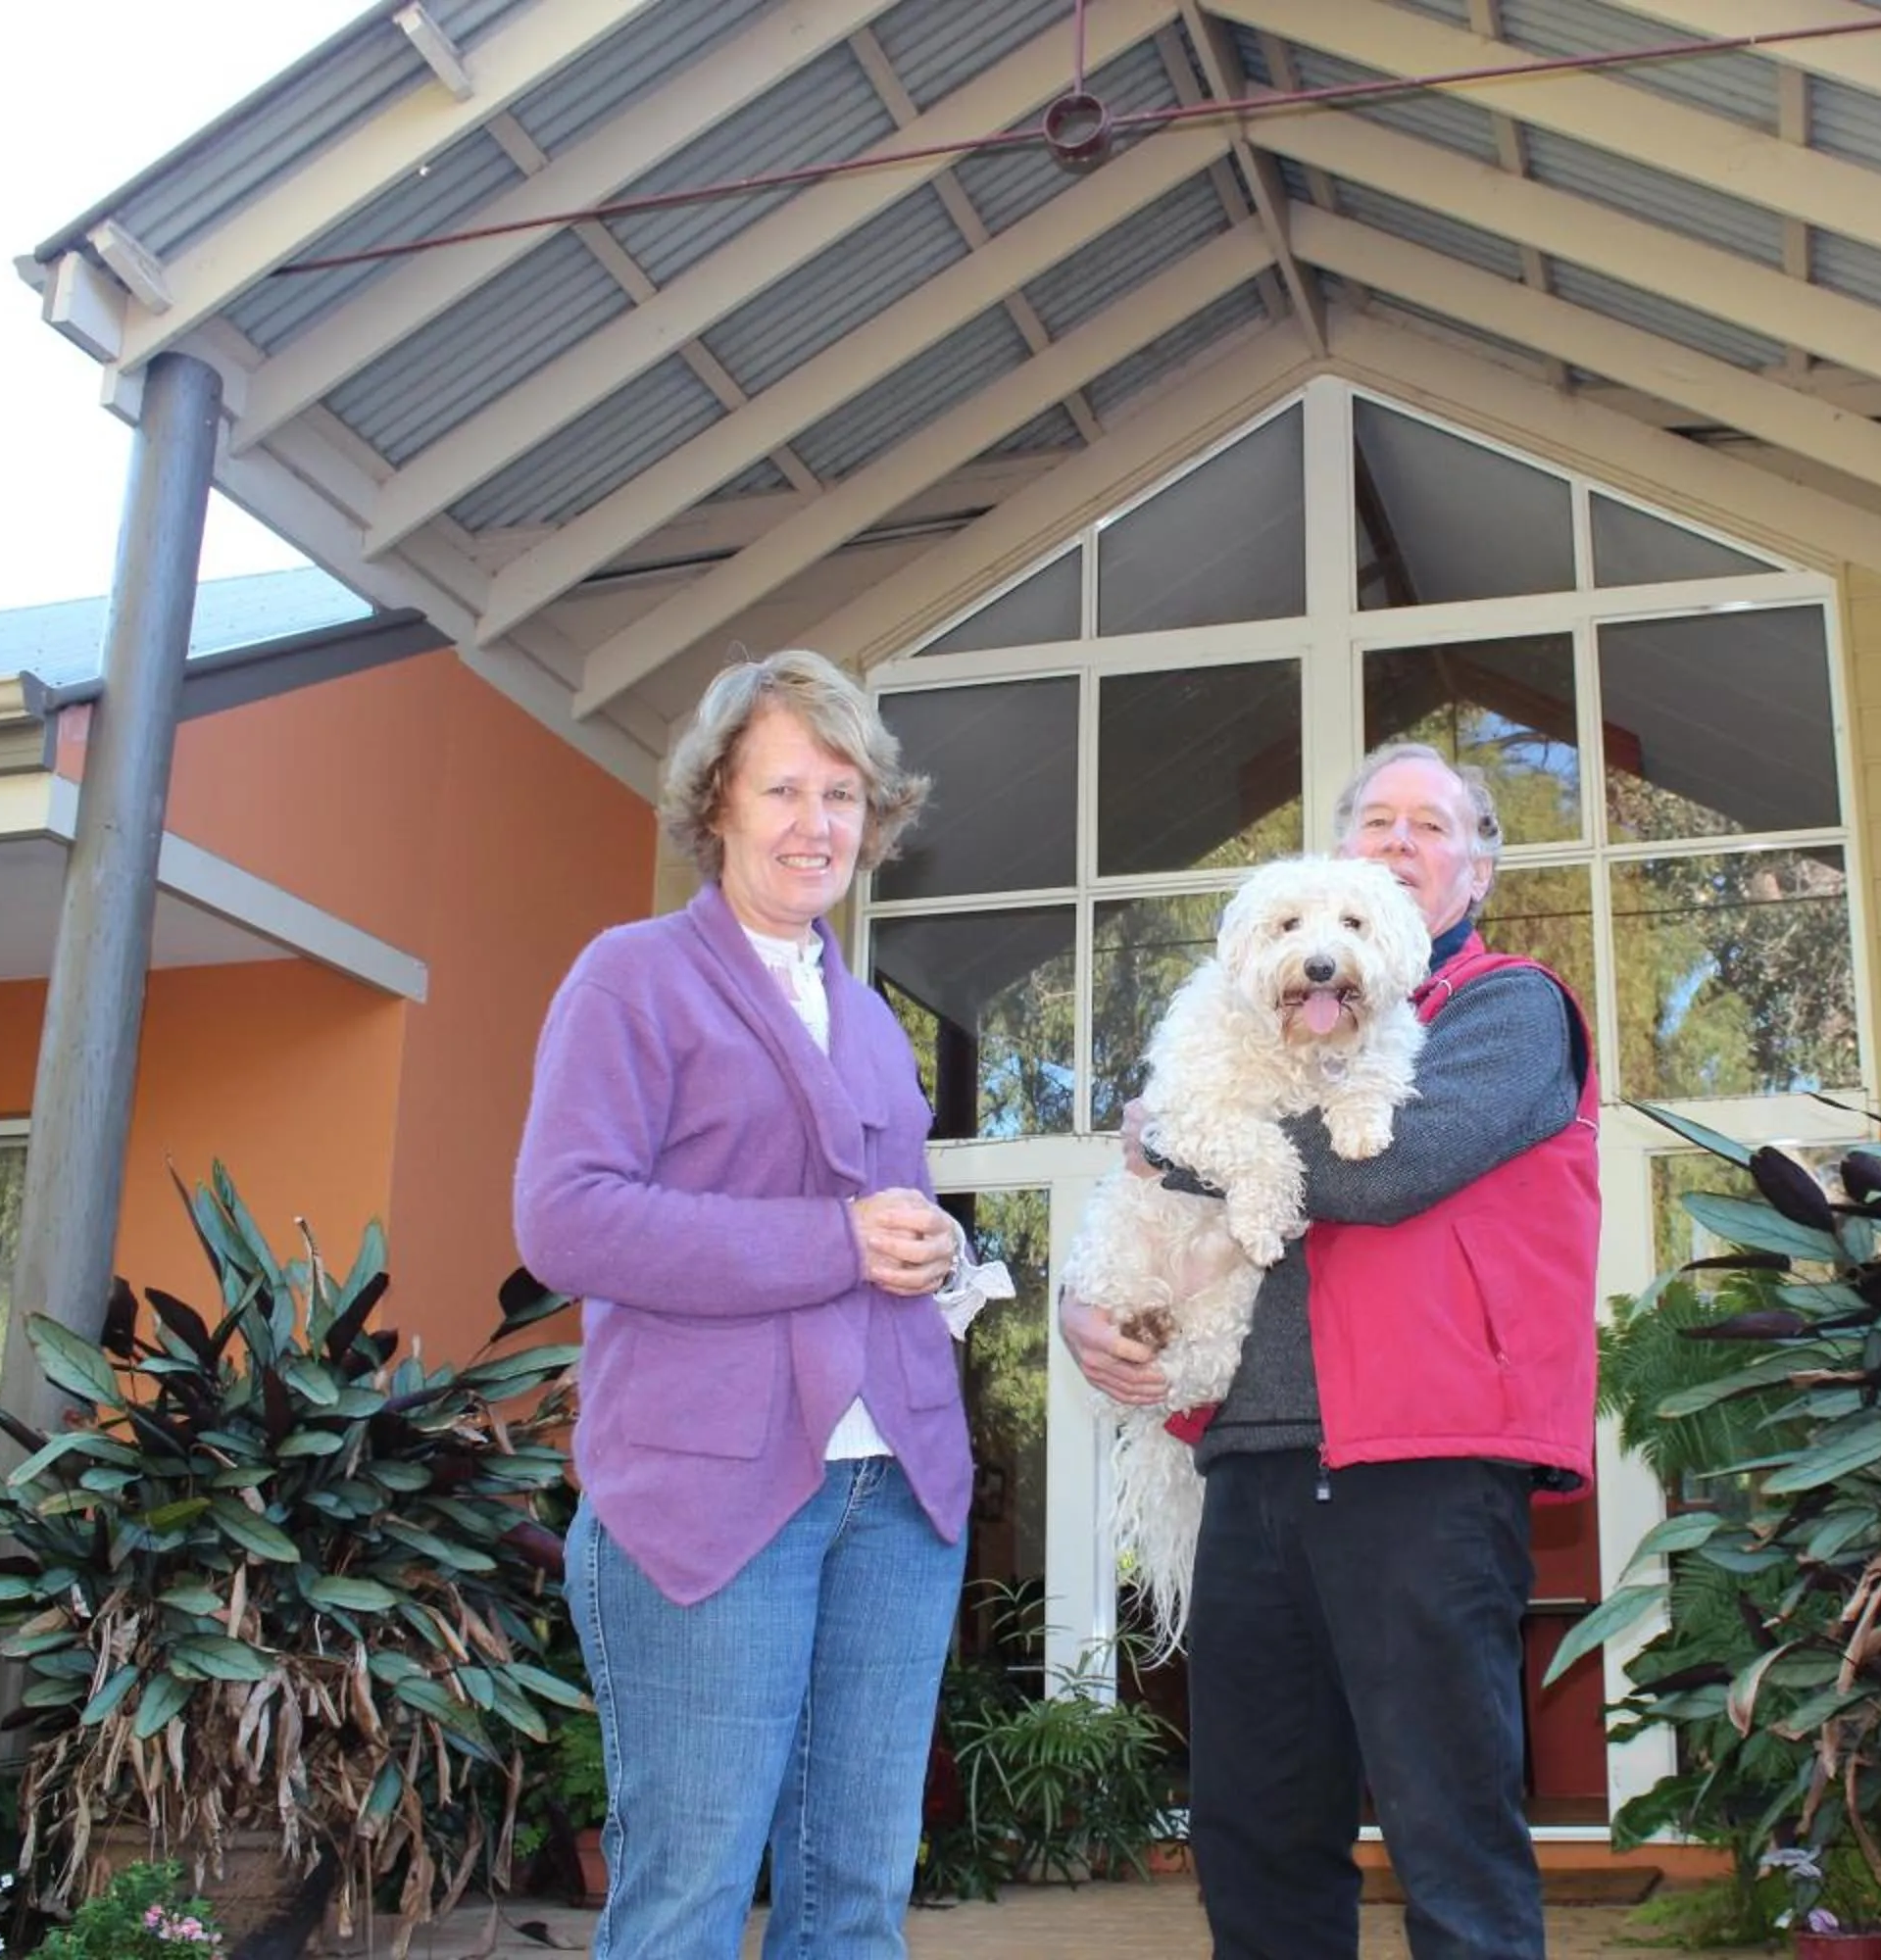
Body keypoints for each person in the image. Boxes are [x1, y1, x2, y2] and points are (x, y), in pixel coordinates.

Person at [1063, 742, 1602, 1960]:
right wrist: (1095, 1312)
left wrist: (1181, 1138)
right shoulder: (1256, 1018)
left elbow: (1388, 1167)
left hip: (1421, 1465)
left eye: (1431, 823)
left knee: (1449, 1831)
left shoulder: (1510, 1007)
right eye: (1375, 822)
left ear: (1478, 863)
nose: (1400, 840)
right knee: (1255, 1835)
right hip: (1251, 1465)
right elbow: (1154, 1214)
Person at [514, 650, 975, 1959]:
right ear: (715, 801)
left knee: (858, 1906)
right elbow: (565, 1220)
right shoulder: (633, 976)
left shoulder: (865, 1014)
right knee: (688, 1901)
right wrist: (832, 1239)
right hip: (714, 1500)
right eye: (784, 789)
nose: (815, 824)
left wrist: (922, 1243)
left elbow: (872, 1236)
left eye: (842, 794)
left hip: (897, 1494)